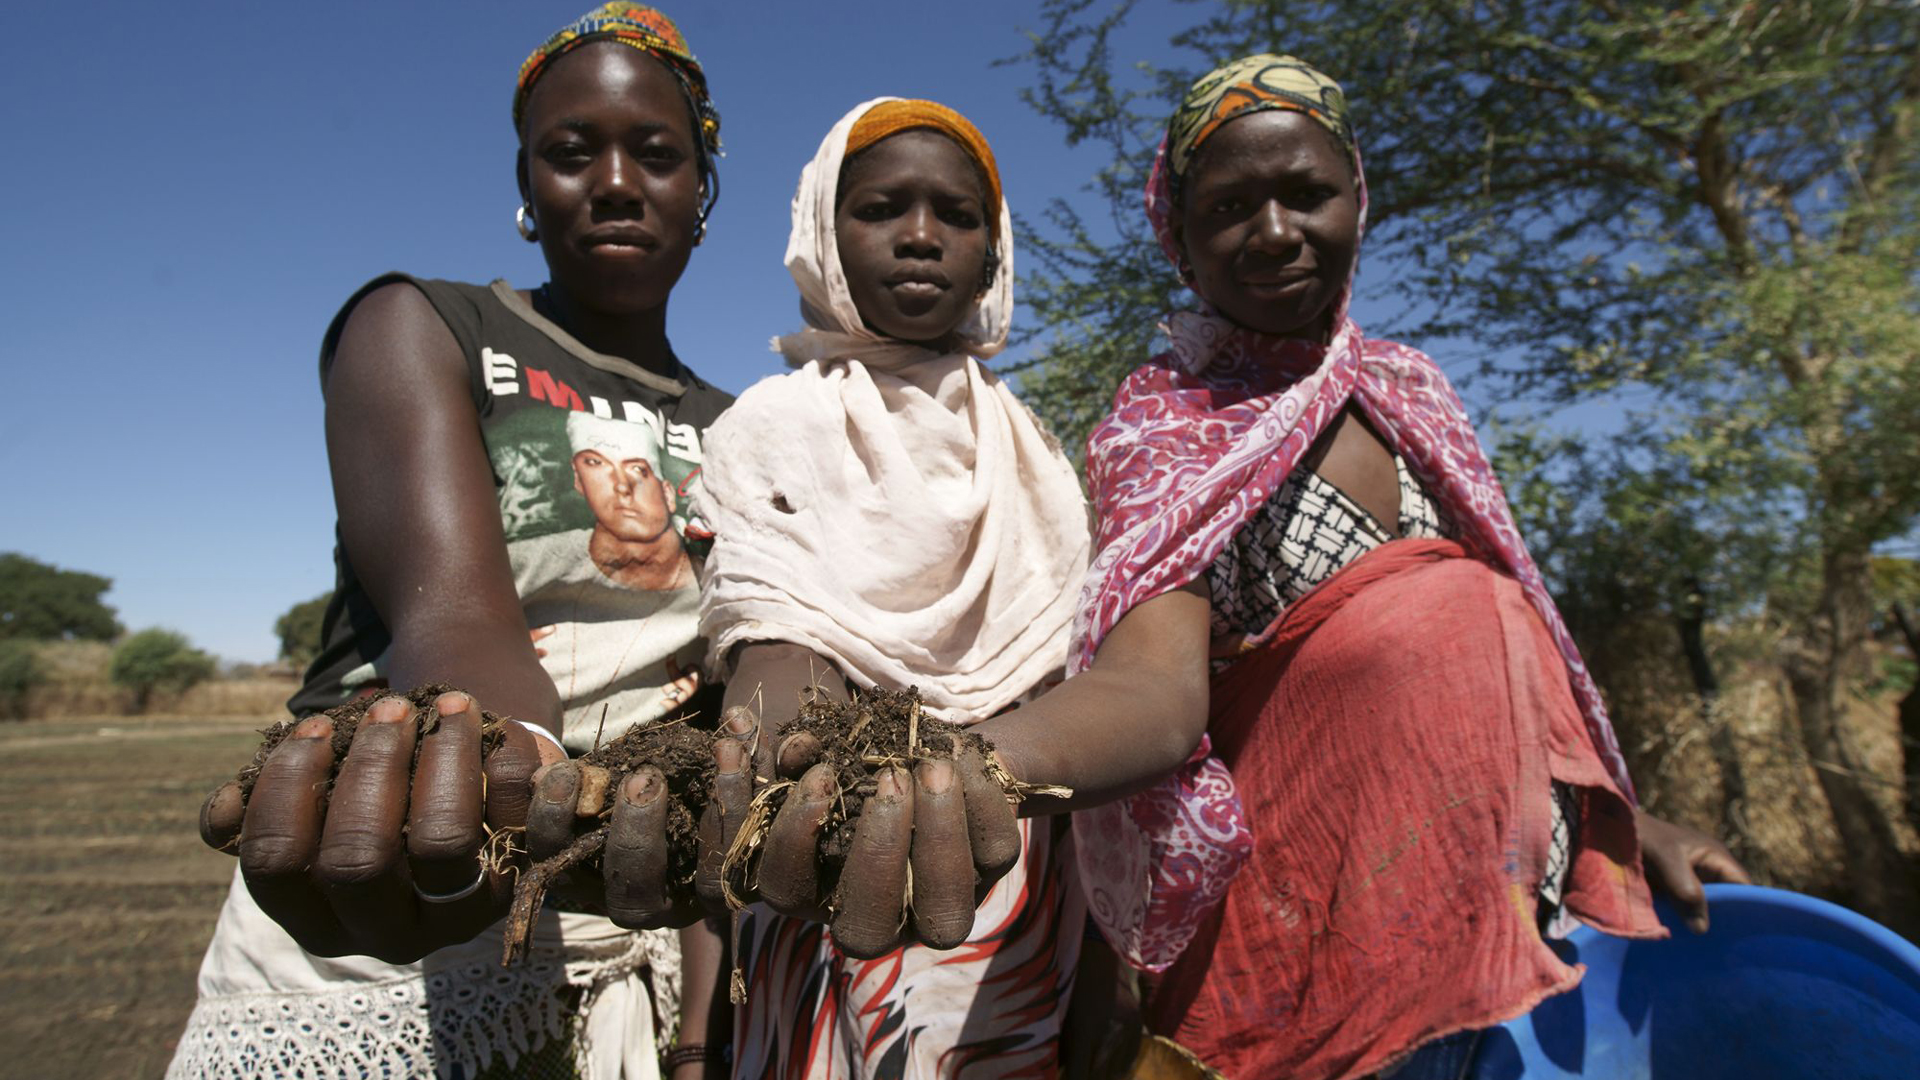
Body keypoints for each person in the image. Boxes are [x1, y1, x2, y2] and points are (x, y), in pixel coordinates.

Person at [725, 57, 1748, 1080]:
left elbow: (1511, 653)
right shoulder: (1166, 426)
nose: (1272, 233)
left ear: (1358, 197)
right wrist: (967, 769)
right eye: (1228, 209)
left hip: (1501, 883)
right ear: (1180, 235)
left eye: (1305, 194)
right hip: (1307, 912)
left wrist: (1627, 816)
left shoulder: (1414, 392)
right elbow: (1152, 692)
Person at [175, 6, 730, 1078]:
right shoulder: (426, 325)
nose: (615, 181)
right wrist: (503, 772)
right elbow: (453, 614)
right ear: (526, 185)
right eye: (570, 153)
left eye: (657, 155)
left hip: (625, 918)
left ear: (702, 189)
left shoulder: (747, 427)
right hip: (408, 867)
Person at [547, 97, 1094, 1078]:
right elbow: (775, 649)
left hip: (1011, 877)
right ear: (824, 236)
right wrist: (805, 774)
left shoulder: (1035, 451)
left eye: (957, 216)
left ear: (995, 248)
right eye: (884, 207)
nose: (922, 237)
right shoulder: (774, 426)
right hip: (820, 862)